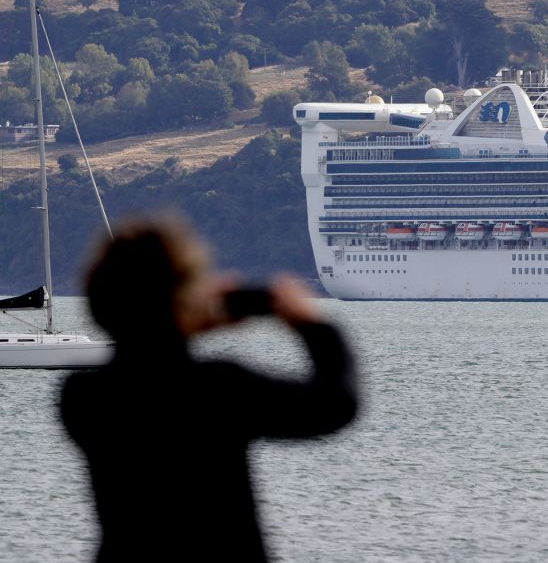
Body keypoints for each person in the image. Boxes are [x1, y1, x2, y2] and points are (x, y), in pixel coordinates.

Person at [59, 217, 359, 562]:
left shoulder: (81, 397)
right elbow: (336, 403)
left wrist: (180, 322)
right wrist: (313, 325)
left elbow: (147, 368)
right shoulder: (221, 388)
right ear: (182, 299)